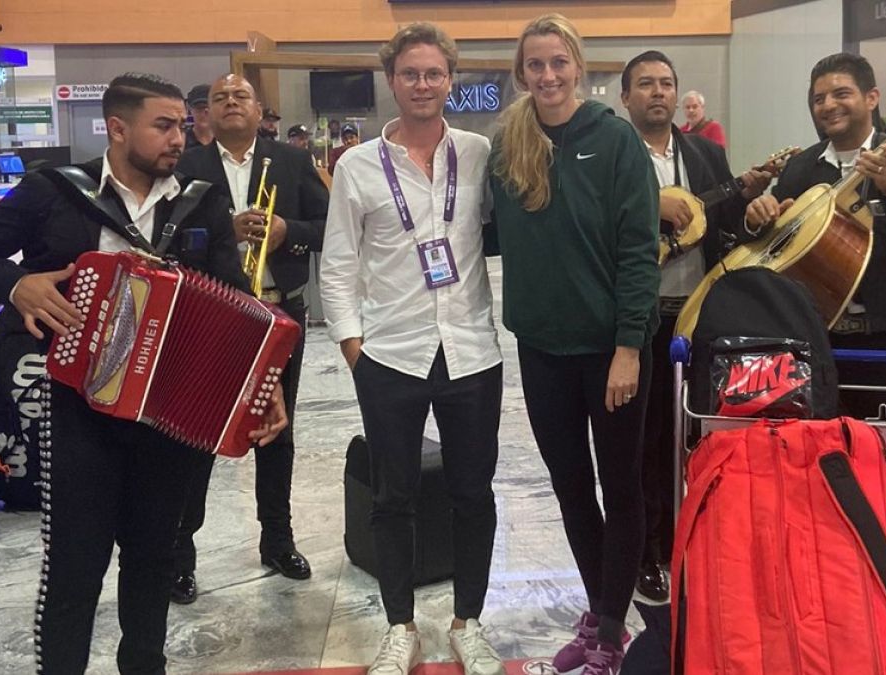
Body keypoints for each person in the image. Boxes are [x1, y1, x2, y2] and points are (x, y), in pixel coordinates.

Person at [0, 72, 288, 674]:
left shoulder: (198, 200)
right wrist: (16, 285)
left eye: (182, 124)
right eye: (164, 125)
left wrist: (265, 385)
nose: (181, 136)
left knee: (153, 559)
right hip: (78, 411)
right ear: (118, 128)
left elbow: (238, 302)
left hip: (167, 416)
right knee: (75, 565)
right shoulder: (56, 192)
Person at [320, 22, 505, 675]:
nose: (422, 84)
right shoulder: (357, 166)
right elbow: (338, 266)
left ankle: (468, 621)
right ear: (391, 81)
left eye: (433, 73)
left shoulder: (481, 153)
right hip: (391, 356)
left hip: (472, 352)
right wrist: (353, 348)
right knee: (392, 497)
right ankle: (400, 626)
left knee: (472, 492)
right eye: (410, 74)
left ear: (450, 79)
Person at [488, 14, 659, 673]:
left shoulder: (615, 141)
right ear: (521, 73)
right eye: (535, 65)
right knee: (568, 484)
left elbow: (640, 252)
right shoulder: (510, 145)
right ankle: (600, 606)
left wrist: (626, 347)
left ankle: (612, 630)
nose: (548, 75)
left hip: (611, 349)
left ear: (578, 65)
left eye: (558, 62)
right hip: (542, 349)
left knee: (621, 486)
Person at [618, 50, 771, 603]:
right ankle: (648, 553)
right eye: (645, 84)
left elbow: (728, 228)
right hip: (636, 321)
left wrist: (751, 210)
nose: (657, 92)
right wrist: (647, 206)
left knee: (696, 436)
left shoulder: (707, 153)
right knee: (644, 441)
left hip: (697, 314)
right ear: (626, 97)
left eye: (665, 83)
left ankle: (697, 538)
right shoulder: (612, 156)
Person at [172, 72, 329, 603]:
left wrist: (288, 231)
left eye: (241, 96)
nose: (231, 102)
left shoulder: (290, 160)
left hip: (279, 314)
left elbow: (326, 225)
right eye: (220, 97)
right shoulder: (185, 167)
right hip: (211, 316)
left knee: (276, 430)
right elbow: (164, 241)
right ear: (206, 114)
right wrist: (222, 232)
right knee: (197, 435)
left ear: (260, 110)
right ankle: (180, 554)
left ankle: (277, 539)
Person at [745, 53, 886, 432]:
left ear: (871, 97)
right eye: (819, 98)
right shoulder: (801, 168)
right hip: (812, 342)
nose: (828, 106)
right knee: (815, 456)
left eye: (841, 93)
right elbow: (775, 249)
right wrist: (759, 217)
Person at [184, 84, 214, 148]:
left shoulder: (226, 142)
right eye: (199, 108)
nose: (205, 111)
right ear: (189, 109)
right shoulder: (182, 142)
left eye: (209, 107)